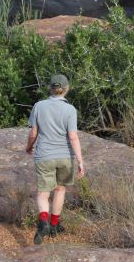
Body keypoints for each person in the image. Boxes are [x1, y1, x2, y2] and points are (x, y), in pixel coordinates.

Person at [26, 74, 85, 245]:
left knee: (43, 193)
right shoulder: (70, 109)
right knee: (60, 190)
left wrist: (29, 147)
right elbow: (73, 137)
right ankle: (54, 225)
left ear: (50, 88)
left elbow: (33, 133)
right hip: (65, 156)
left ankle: (44, 222)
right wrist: (80, 161)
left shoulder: (38, 106)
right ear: (66, 89)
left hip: (44, 155)